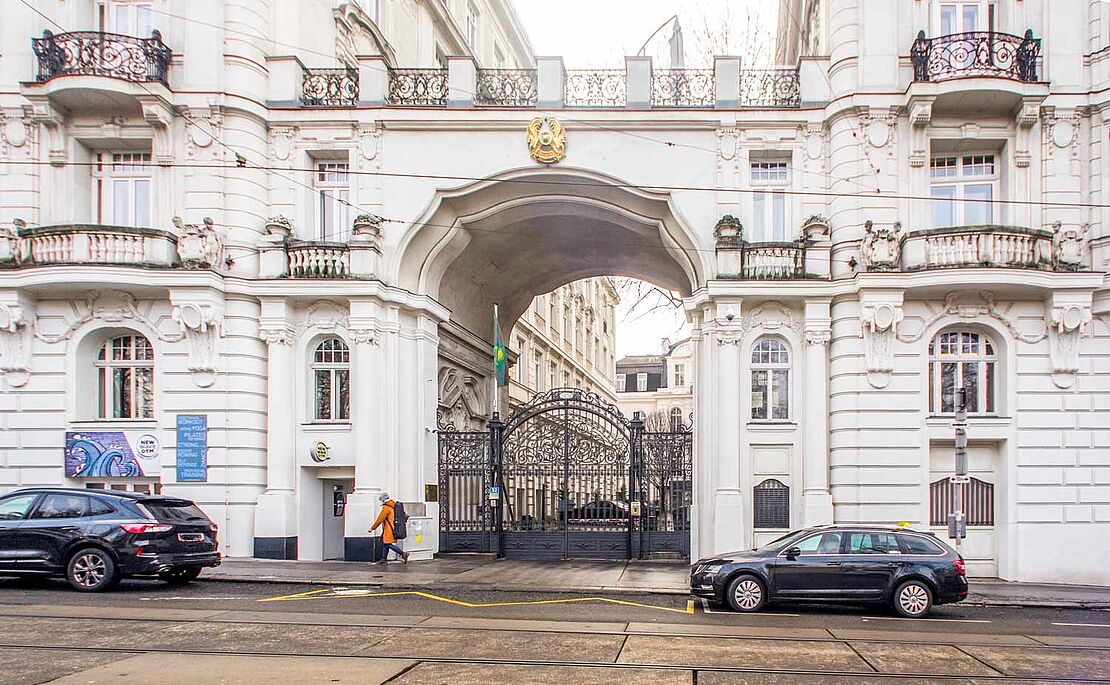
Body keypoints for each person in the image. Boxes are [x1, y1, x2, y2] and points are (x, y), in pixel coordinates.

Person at [369, 492, 409, 564]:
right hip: (394, 528)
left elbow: (380, 519)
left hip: (389, 529)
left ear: (383, 500)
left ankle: (403, 554)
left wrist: (372, 528)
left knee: (387, 544)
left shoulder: (386, 508)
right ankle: (384, 559)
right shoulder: (394, 506)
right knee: (385, 543)